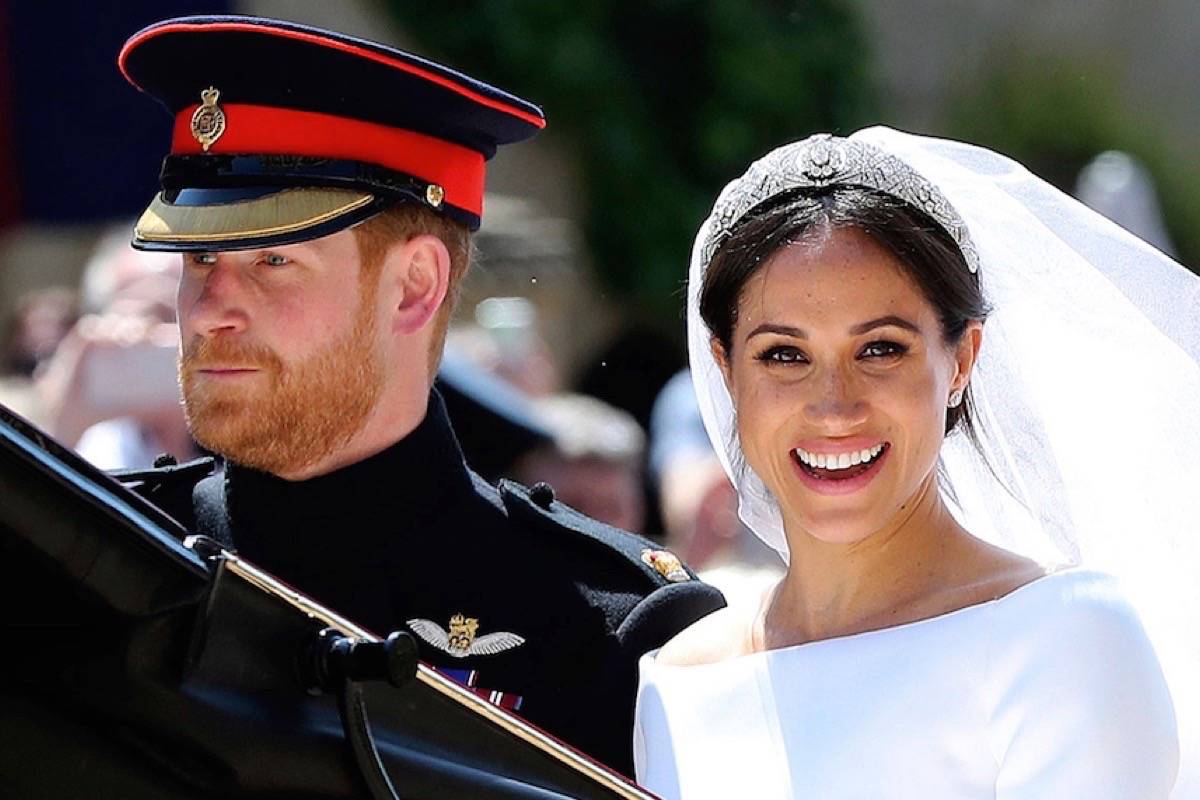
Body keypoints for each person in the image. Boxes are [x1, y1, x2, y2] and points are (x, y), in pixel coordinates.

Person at [111, 15, 723, 776]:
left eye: (270, 260)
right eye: (197, 257)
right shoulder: (97, 552)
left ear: (415, 286)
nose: (207, 310)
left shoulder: (610, 632)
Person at [634, 128, 1199, 798]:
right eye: (784, 355)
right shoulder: (678, 683)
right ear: (727, 370)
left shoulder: (1063, 640)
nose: (833, 407)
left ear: (961, 359)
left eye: (881, 349)